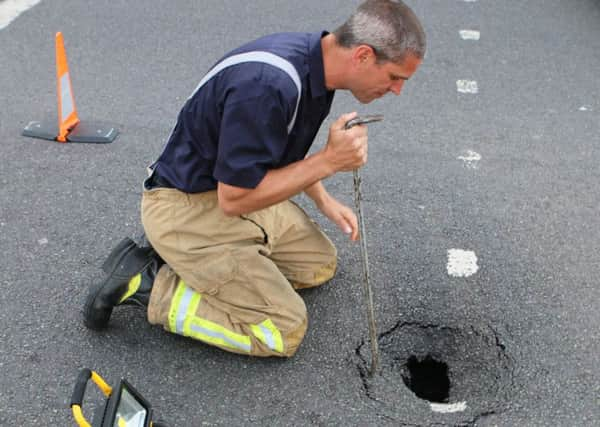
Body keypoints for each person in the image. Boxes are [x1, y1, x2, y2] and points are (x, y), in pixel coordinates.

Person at [83, 0, 426, 358]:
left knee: (319, 265)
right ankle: (148, 284)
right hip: (188, 205)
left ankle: (203, 260)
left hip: (225, 191)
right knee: (283, 330)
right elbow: (234, 201)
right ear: (363, 56)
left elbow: (282, 154)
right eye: (395, 78)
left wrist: (324, 200)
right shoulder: (267, 87)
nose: (397, 90)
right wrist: (329, 160)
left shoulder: (318, 66)